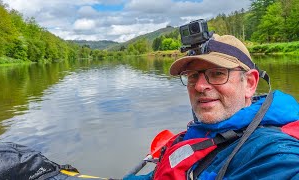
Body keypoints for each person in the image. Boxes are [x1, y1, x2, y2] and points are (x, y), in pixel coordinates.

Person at [124, 34, 299, 179]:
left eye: (217, 74)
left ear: (250, 84)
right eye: (192, 75)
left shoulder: (272, 151)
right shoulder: (208, 131)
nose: (200, 86)